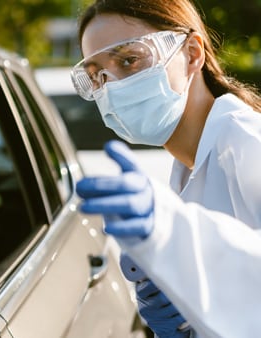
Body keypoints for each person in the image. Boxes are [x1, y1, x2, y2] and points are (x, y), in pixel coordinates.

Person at [70, 0, 261, 337]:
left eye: (129, 60)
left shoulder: (247, 143)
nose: (111, 87)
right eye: (96, 76)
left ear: (191, 53)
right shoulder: (188, 163)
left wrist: (172, 235)